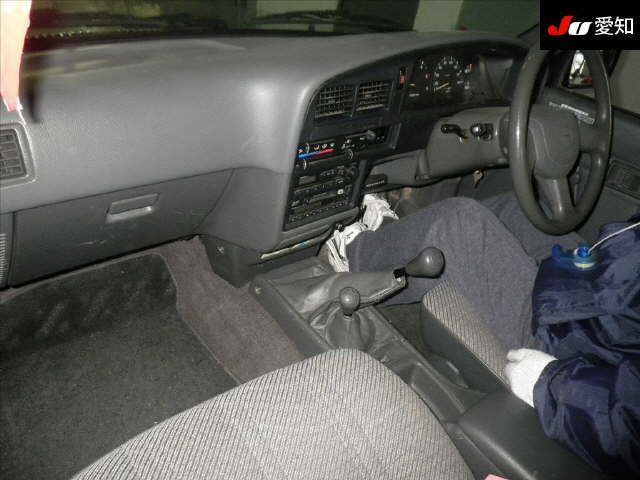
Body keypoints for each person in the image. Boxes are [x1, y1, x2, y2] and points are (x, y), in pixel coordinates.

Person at [346, 193, 640, 477]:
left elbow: (628, 423)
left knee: (457, 223)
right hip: (609, 305)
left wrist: (553, 384)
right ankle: (392, 243)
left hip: (579, 358)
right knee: (528, 210)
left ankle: (352, 257)